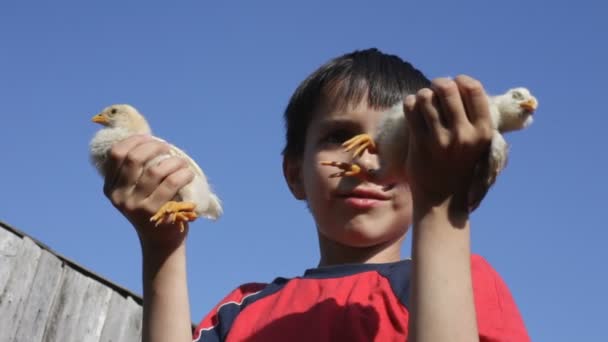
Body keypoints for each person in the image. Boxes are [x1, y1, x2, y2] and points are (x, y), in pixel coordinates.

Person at [102, 48, 529, 341]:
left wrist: (439, 203)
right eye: (340, 135)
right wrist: (162, 248)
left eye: (398, 140)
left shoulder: (467, 282)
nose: (365, 159)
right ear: (294, 174)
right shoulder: (243, 309)